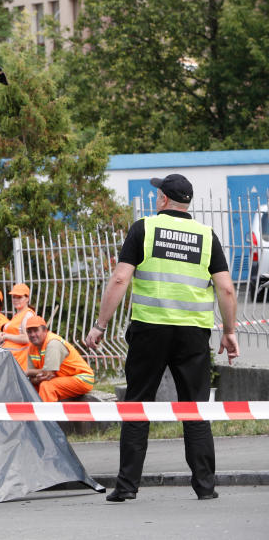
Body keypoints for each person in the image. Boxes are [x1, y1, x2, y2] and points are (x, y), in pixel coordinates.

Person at [84, 174, 240, 503]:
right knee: (195, 407)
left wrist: (100, 325)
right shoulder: (207, 236)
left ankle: (126, 486)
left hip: (149, 330)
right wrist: (229, 331)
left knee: (138, 404)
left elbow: (119, 279)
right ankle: (205, 487)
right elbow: (226, 288)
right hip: (193, 335)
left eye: (157, 194)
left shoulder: (144, 229)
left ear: (163, 200)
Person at [24, 316, 94, 401]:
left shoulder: (53, 343)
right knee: (30, 385)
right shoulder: (31, 347)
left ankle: (46, 413)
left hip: (82, 379)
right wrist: (35, 378)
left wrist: (28, 372)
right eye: (29, 332)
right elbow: (32, 379)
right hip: (62, 379)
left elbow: (48, 373)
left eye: (35, 331)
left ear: (45, 330)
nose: (32, 335)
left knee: (47, 386)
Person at [0, 283, 35, 370]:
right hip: (12, 360)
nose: (16, 300)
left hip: (19, 362)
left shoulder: (28, 315)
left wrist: (5, 336)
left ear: (27, 298)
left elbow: (26, 338)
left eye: (19, 297)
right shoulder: (18, 315)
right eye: (14, 297)